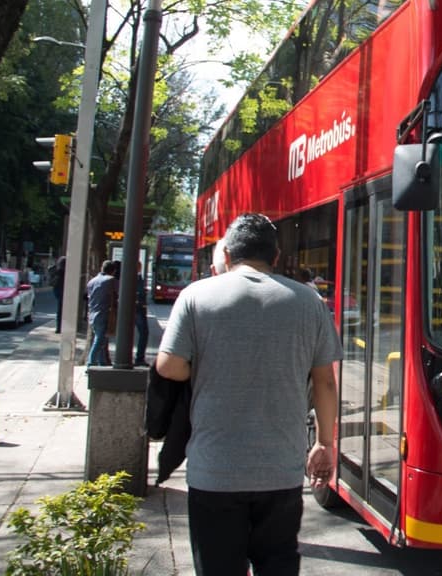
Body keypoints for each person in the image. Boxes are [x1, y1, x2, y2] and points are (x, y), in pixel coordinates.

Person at [156, 213, 342, 574]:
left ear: (226, 255)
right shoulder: (309, 303)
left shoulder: (196, 296)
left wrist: (211, 365)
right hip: (281, 473)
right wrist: (324, 443)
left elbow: (169, 366)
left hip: (214, 472)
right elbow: (326, 382)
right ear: (276, 257)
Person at [86, 260, 117, 366]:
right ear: (113, 271)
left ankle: (102, 363)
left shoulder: (91, 281)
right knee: (99, 340)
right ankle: (91, 363)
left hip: (92, 314)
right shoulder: (110, 280)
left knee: (100, 339)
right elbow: (119, 293)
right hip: (103, 313)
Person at [134, 261, 149, 367]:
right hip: (138, 310)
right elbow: (138, 293)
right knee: (144, 333)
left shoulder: (138, 277)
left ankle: (139, 357)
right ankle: (139, 358)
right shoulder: (136, 278)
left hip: (137, 309)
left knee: (143, 333)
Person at [49, 256, 66, 333]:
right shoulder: (63, 272)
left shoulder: (56, 270)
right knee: (62, 309)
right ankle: (60, 327)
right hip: (62, 290)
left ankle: (59, 327)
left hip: (57, 290)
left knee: (60, 309)